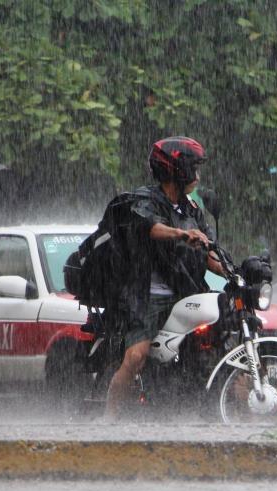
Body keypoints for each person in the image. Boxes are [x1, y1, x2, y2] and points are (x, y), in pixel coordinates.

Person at [104, 136, 223, 421]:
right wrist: (183, 234)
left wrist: (231, 271)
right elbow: (151, 228)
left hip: (186, 293)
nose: (197, 175)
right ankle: (108, 417)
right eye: (192, 167)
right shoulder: (145, 200)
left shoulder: (193, 209)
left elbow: (208, 250)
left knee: (220, 340)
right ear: (175, 170)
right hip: (147, 297)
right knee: (136, 357)